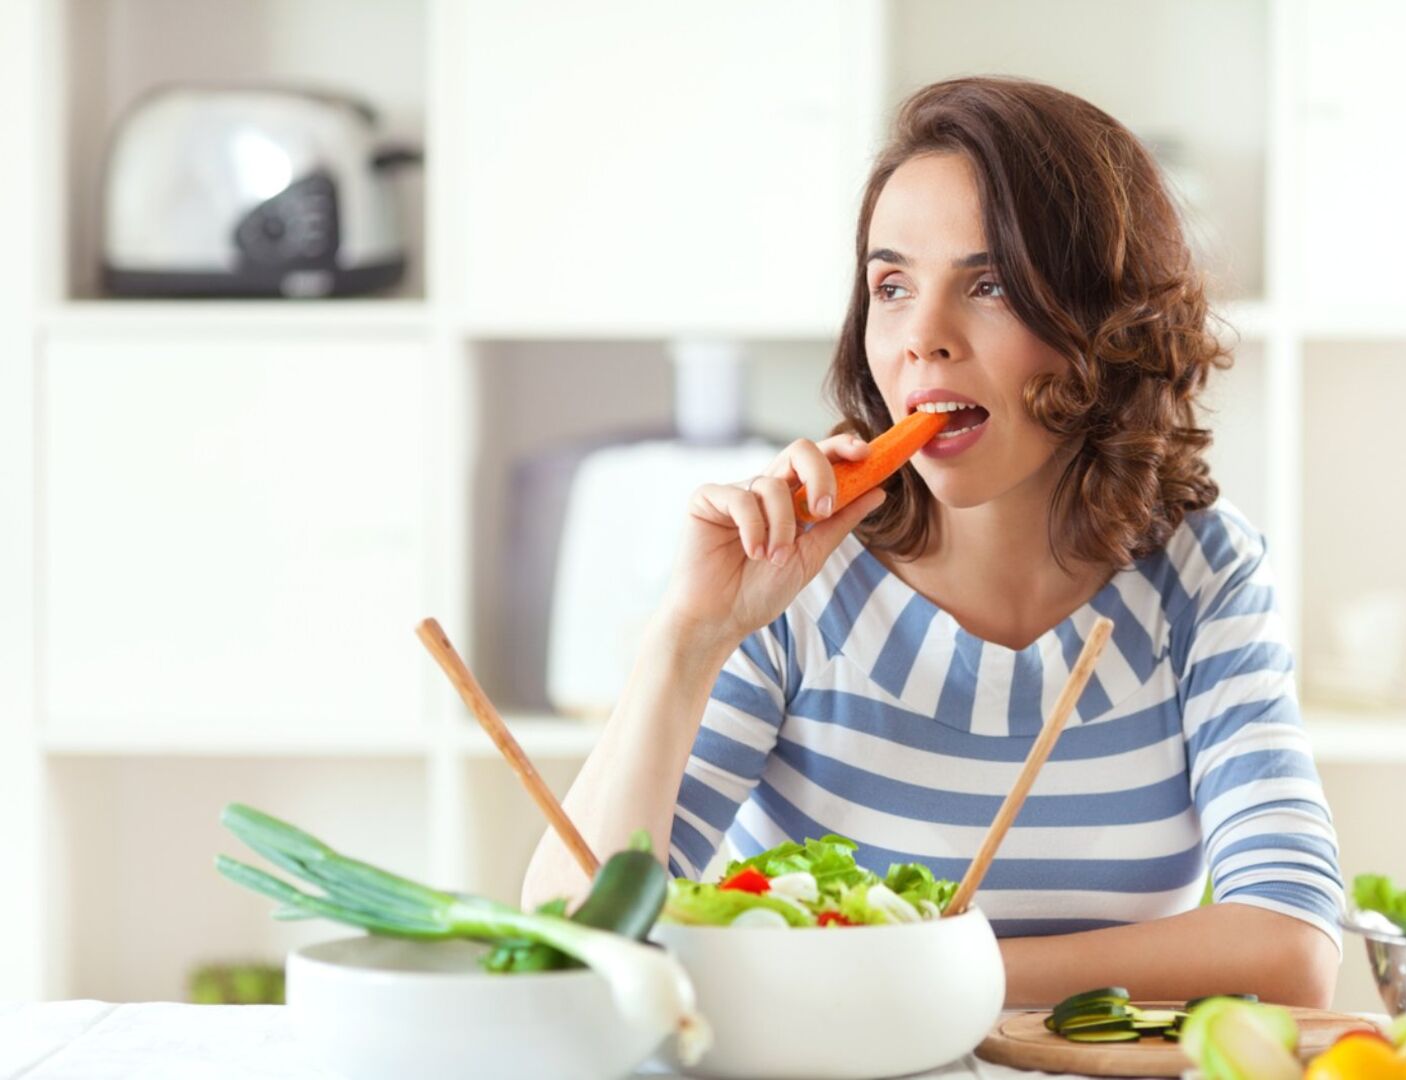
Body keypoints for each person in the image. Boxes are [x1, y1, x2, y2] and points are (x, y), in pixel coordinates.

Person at [524, 76, 1342, 1008]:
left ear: (1106, 325)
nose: (922, 338)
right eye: (892, 285)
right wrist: (689, 639)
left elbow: (1289, 947)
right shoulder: (800, 573)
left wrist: (922, 976)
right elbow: (573, 939)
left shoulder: (1200, 570)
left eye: (988, 284)